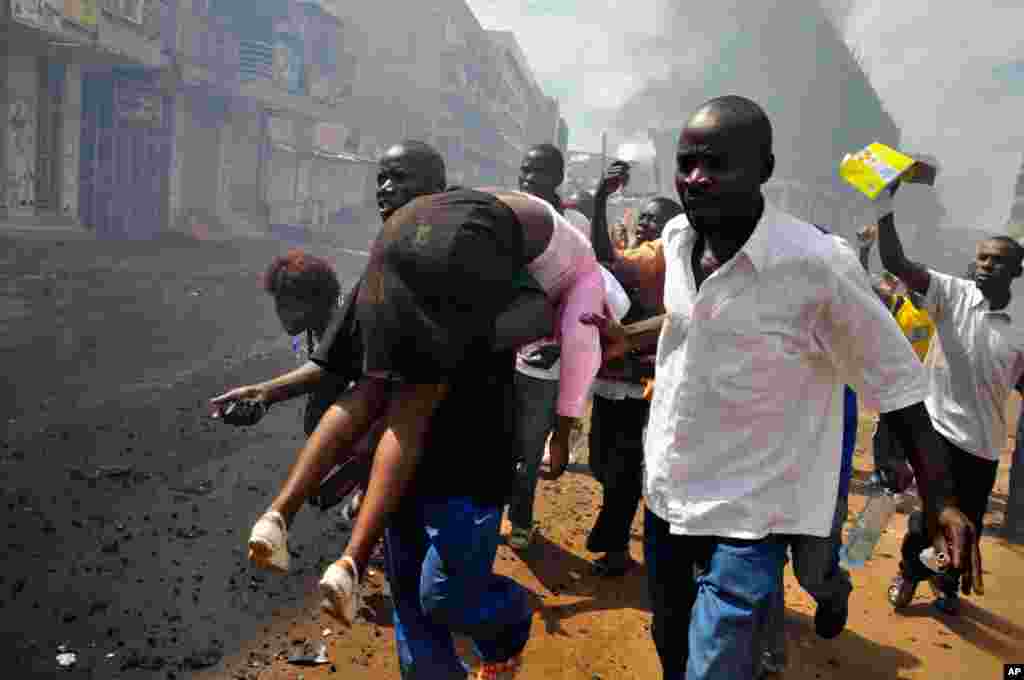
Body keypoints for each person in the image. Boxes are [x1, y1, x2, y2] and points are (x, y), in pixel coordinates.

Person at [581, 95, 978, 679]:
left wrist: (942, 498)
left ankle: (827, 591)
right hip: (669, 492)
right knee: (671, 645)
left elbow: (897, 386)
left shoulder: (819, 266)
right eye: (687, 162)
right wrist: (629, 339)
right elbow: (693, 319)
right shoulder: (676, 238)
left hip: (754, 513)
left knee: (715, 663)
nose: (697, 177)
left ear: (764, 169)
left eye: (717, 164)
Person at [211, 142, 554, 574]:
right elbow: (332, 362)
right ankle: (340, 556)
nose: (386, 189)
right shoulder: (383, 269)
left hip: (468, 469)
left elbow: (536, 313)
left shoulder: (472, 243)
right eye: (381, 180)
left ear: (437, 189)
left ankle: (507, 625)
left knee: (450, 595)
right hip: (400, 481)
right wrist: (265, 392)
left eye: (400, 178)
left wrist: (450, 345)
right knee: (410, 601)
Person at [877, 181, 1022, 615]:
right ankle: (909, 571)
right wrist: (885, 201)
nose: (986, 266)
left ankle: (945, 581)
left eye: (999, 261)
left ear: (1017, 271)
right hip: (936, 432)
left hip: (983, 447)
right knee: (926, 522)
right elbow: (896, 262)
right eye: (982, 258)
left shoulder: (1018, 330)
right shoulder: (951, 294)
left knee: (967, 527)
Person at [586, 160, 681, 576]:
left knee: (620, 467)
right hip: (614, 378)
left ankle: (617, 546)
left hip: (640, 382)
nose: (644, 225)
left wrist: (600, 201)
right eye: (642, 218)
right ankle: (620, 536)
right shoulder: (644, 257)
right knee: (604, 462)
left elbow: (608, 259)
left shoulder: (661, 259)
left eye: (653, 220)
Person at [506, 144, 598, 550]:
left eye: (540, 172)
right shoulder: (507, 216)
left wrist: (563, 344)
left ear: (557, 178)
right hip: (499, 348)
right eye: (526, 170)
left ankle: (521, 520)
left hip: (544, 356)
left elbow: (587, 288)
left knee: (528, 447)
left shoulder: (574, 222)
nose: (530, 179)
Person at [857, 223, 935, 490]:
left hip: (922, 384)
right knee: (886, 430)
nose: (915, 286)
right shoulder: (897, 304)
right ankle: (883, 475)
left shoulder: (937, 311)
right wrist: (865, 250)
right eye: (911, 281)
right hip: (894, 379)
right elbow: (862, 284)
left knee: (909, 432)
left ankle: (900, 479)